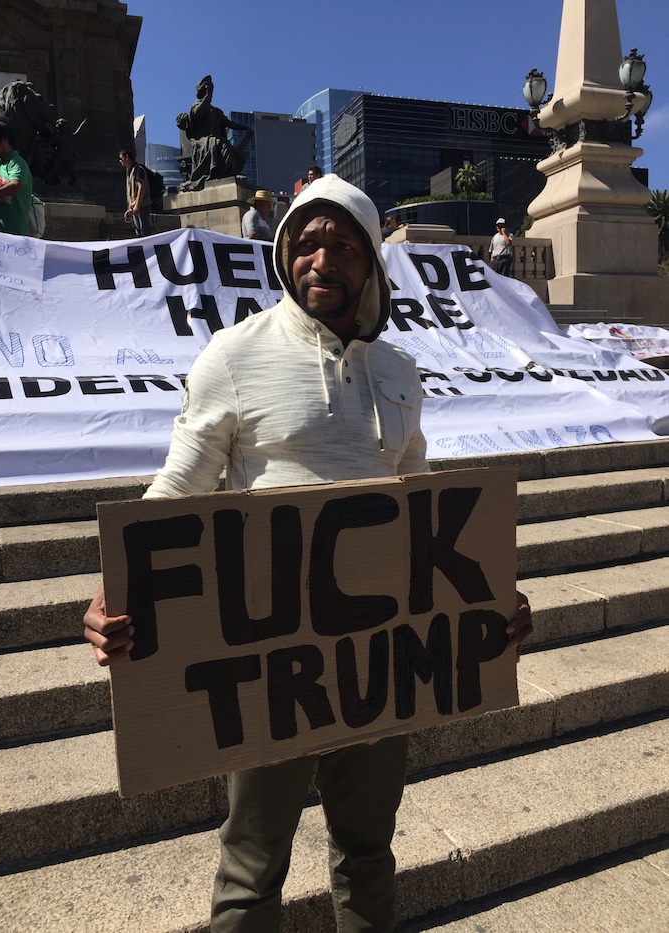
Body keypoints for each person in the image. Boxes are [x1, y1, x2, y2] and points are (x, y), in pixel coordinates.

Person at [83, 174, 533, 932]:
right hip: (271, 666)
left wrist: (486, 596)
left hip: (377, 663)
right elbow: (177, 492)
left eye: (345, 246)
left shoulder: (398, 372)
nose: (323, 259)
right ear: (286, 250)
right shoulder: (232, 356)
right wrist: (112, 591)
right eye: (308, 242)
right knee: (252, 867)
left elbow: (420, 501)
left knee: (368, 852)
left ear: (370, 268)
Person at [176, 75, 252, 191]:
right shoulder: (196, 106)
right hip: (202, 141)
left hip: (213, 140)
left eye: (211, 90)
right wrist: (207, 96)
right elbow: (197, 113)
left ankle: (229, 173)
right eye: (207, 90)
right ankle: (232, 172)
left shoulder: (217, 111)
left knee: (224, 145)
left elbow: (229, 123)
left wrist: (245, 127)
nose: (211, 93)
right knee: (219, 142)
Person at [118, 147, 151, 237]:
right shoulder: (130, 171)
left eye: (121, 158)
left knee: (144, 231)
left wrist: (137, 205)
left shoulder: (138, 170)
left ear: (127, 157)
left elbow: (141, 187)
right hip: (136, 206)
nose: (120, 161)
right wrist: (130, 208)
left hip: (142, 205)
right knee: (138, 232)